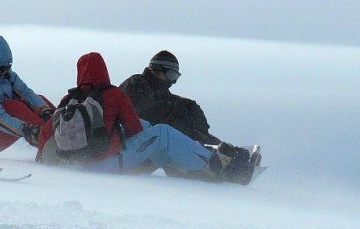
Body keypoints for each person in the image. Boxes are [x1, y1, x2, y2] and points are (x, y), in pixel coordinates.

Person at [36, 52, 253, 183]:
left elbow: (46, 133)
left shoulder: (69, 99)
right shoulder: (112, 94)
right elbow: (134, 130)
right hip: (107, 165)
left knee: (149, 126)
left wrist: (41, 158)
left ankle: (188, 171)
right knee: (162, 134)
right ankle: (214, 165)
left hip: (80, 165)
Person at [120, 50, 222, 145]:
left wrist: (190, 108)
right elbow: (140, 112)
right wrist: (173, 110)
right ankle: (208, 148)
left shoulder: (160, 91)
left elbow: (172, 103)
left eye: (176, 77)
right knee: (194, 138)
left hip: (157, 138)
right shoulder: (136, 83)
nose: (173, 82)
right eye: (172, 75)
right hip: (136, 141)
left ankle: (217, 148)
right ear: (158, 70)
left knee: (189, 110)